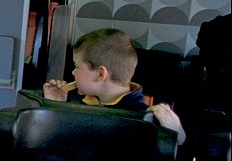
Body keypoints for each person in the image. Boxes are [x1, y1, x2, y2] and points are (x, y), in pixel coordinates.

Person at [44, 27, 186, 145]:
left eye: (76, 66)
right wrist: (55, 105)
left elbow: (178, 147)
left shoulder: (143, 117)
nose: (73, 72)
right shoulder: (76, 99)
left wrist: (177, 132)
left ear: (100, 74)